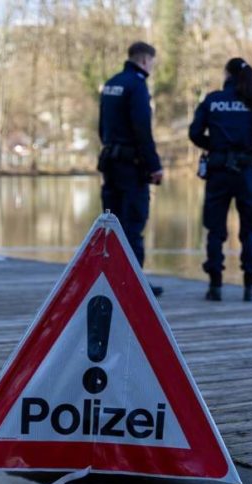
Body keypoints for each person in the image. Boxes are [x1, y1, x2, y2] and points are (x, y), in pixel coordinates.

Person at [188, 58, 252, 302]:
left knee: (215, 229)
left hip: (218, 172)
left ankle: (215, 286)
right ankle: (251, 286)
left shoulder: (212, 100)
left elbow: (194, 133)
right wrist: (251, 149)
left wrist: (215, 147)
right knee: (249, 229)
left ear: (227, 74)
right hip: (246, 172)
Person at [98, 41, 164, 297]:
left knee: (110, 224)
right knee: (133, 224)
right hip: (131, 166)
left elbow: (102, 126)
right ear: (146, 60)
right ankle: (133, 287)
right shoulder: (137, 85)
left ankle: (110, 279)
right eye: (152, 63)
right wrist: (154, 165)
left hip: (110, 162)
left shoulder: (111, 83)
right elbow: (142, 129)